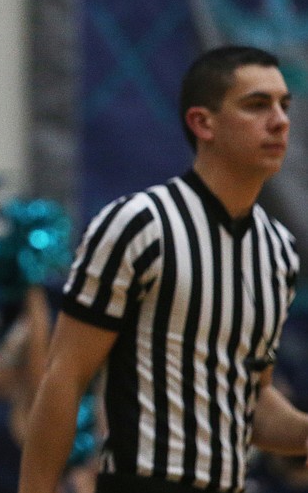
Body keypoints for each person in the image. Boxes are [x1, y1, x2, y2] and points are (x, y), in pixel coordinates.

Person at [19, 45, 308, 493]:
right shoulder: (139, 224)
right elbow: (65, 376)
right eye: (257, 105)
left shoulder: (280, 251)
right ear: (202, 122)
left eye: (284, 106)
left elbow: (252, 400)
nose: (280, 120)